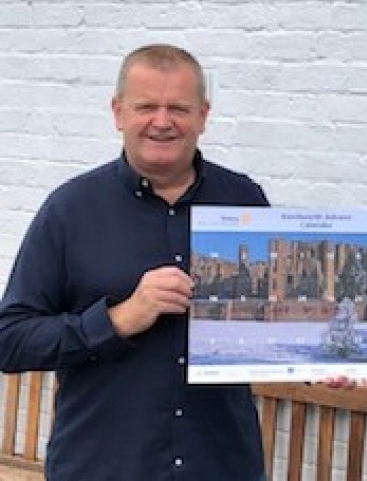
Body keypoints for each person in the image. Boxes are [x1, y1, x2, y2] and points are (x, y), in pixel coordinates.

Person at [0, 45, 271, 480]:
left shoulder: (244, 200)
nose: (162, 122)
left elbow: (270, 322)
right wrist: (120, 318)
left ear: (203, 115)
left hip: (220, 466)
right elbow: (10, 339)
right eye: (146, 106)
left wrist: (325, 361)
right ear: (118, 112)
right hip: (102, 467)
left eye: (178, 108)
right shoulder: (71, 209)